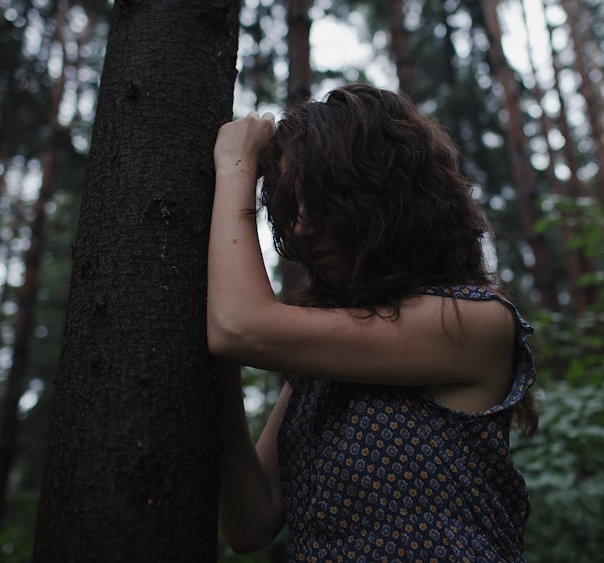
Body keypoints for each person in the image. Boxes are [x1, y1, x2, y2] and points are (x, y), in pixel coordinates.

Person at [208, 83, 537, 561]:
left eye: (320, 202)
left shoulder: (472, 322)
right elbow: (251, 522)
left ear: (384, 196)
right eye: (290, 208)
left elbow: (240, 327)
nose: (300, 227)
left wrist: (236, 166)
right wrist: (217, 364)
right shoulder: (321, 366)